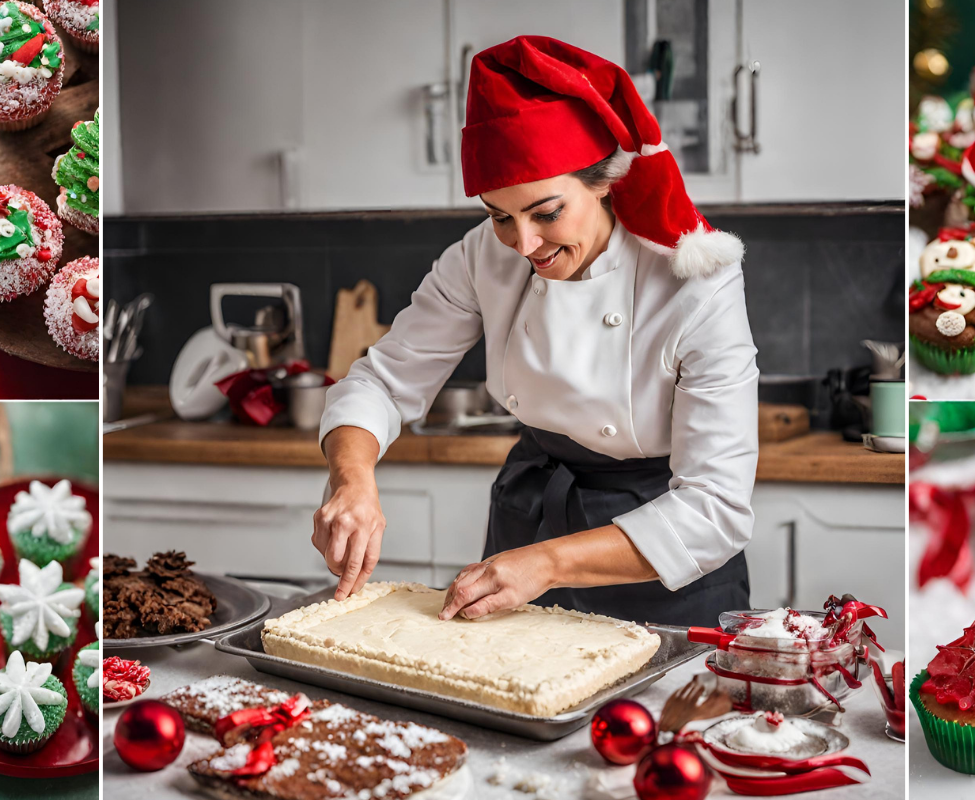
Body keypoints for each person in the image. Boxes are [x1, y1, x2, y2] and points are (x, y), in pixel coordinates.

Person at [312, 36, 758, 627]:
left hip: (660, 549)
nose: (524, 245)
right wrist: (352, 479)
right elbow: (383, 382)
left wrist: (546, 564)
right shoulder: (481, 257)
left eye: (547, 213)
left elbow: (714, 509)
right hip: (530, 517)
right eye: (500, 215)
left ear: (604, 181)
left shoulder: (695, 279)